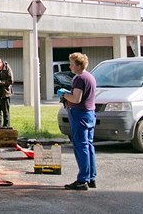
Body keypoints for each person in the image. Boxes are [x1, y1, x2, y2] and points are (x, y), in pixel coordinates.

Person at [57, 52, 97, 190]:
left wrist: (65, 94)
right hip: (90, 113)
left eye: (72, 64)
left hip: (80, 114)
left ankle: (82, 180)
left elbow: (76, 99)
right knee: (89, 145)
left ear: (78, 65)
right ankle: (91, 177)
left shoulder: (79, 78)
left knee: (81, 147)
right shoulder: (90, 77)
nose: (70, 66)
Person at [0, 56, 14, 128]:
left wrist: (0, 82)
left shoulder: (7, 68)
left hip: (5, 93)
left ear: (0, 62)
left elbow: (11, 81)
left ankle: (6, 126)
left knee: (5, 111)